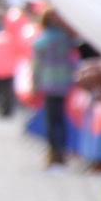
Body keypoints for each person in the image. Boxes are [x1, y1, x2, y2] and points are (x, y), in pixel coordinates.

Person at [31, 9, 77, 170]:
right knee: (60, 119)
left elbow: (37, 66)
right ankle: (61, 153)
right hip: (64, 82)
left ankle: (54, 153)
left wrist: (35, 85)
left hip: (49, 83)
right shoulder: (65, 38)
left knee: (52, 120)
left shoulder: (41, 40)